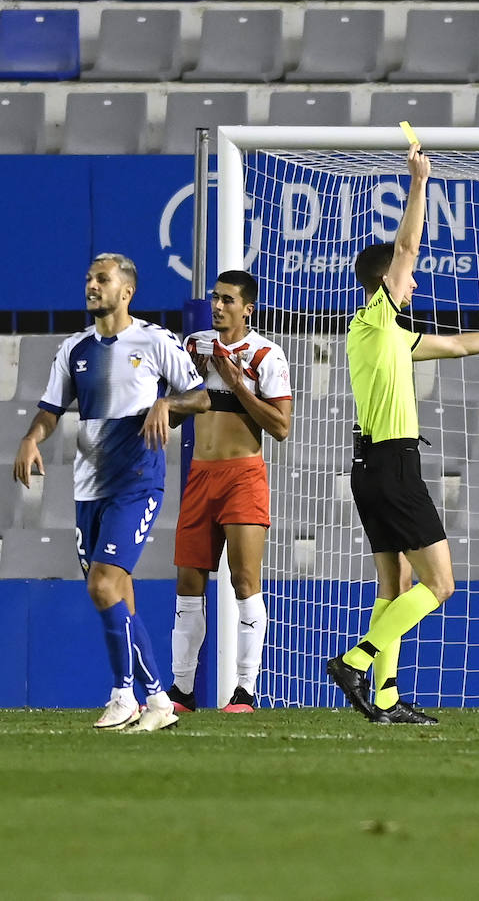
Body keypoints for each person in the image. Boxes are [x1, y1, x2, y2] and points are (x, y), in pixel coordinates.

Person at [324, 143, 479, 724]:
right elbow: (407, 245)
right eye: (404, 280)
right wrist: (420, 180)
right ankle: (357, 660)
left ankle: (383, 698)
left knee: (395, 584)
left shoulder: (383, 335)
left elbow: (458, 345)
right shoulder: (380, 315)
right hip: (394, 466)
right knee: (439, 585)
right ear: (385, 282)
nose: (413, 285)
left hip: (368, 469)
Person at [14, 253, 209, 732]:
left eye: (102, 279)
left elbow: (202, 395)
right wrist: (31, 437)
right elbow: (51, 409)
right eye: (88, 279)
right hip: (88, 486)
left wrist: (166, 401)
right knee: (115, 593)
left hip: (137, 482)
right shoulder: (74, 349)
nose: (92, 286)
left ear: (127, 291)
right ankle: (145, 699)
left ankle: (136, 695)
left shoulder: (154, 340)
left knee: (104, 584)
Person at [167, 271, 292, 715]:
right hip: (200, 476)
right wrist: (189, 388)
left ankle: (244, 691)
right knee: (188, 582)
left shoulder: (266, 355)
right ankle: (181, 691)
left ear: (247, 309)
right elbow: (174, 417)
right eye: (215, 298)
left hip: (242, 477)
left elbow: (280, 427)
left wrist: (238, 385)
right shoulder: (193, 346)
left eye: (227, 300)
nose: (217, 306)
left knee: (244, 581)